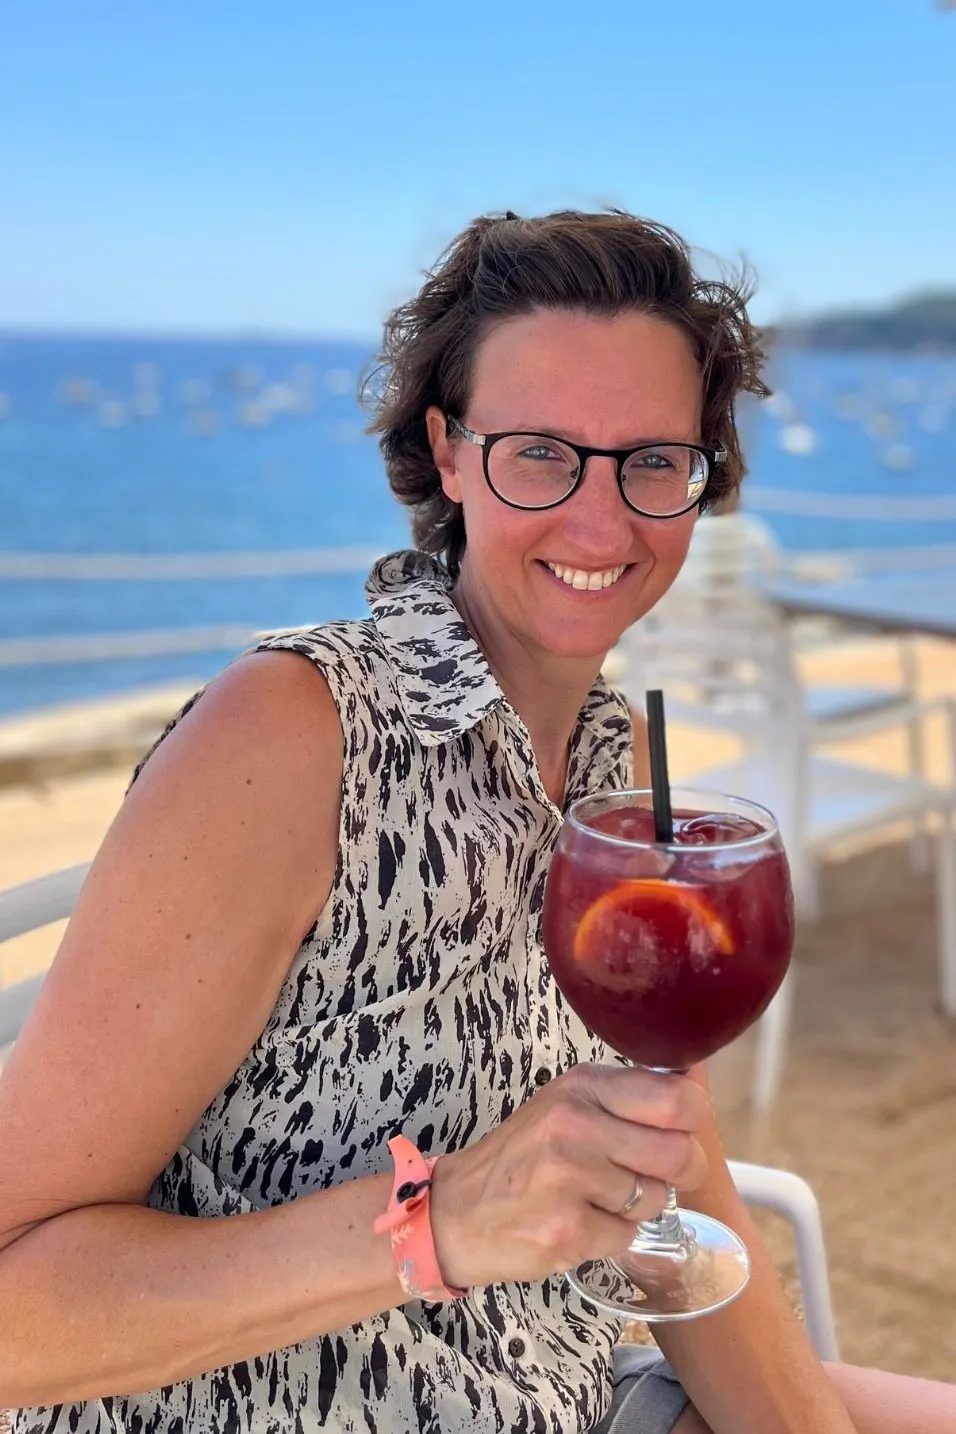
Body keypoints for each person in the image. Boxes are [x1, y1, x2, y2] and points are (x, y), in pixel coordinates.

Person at [0, 209, 953, 1434]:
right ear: (448, 454)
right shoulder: (295, 740)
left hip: (568, 1386)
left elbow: (656, 1142)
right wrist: (433, 1225)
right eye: (539, 453)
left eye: (651, 459)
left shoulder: (622, 764)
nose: (601, 522)